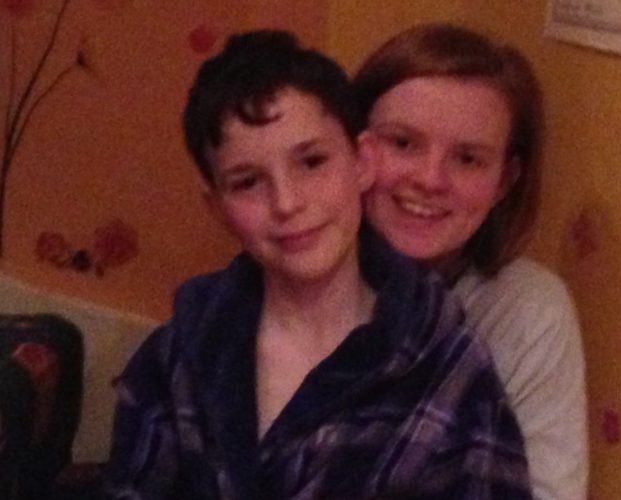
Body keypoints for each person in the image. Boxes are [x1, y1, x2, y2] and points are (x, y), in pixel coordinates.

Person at [103, 30, 534, 499]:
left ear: (362, 162)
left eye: (311, 162)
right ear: (218, 208)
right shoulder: (176, 357)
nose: (287, 203)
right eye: (248, 182)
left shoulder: (451, 372)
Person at [353, 23, 588, 500]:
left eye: (467, 159)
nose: (430, 179)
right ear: (352, 148)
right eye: (403, 143)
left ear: (505, 181)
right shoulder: (292, 278)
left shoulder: (527, 310)